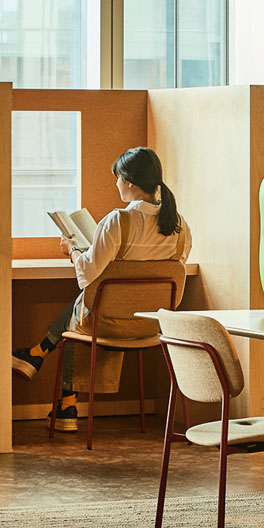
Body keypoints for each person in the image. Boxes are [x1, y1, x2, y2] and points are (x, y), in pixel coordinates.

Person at [10, 147, 192, 432]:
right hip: (154, 325)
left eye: (117, 178)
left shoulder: (119, 221)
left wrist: (72, 251)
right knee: (91, 304)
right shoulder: (180, 225)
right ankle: (40, 361)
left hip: (108, 324)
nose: (116, 184)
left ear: (129, 181)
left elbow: (86, 275)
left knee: (85, 311)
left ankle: (62, 395)